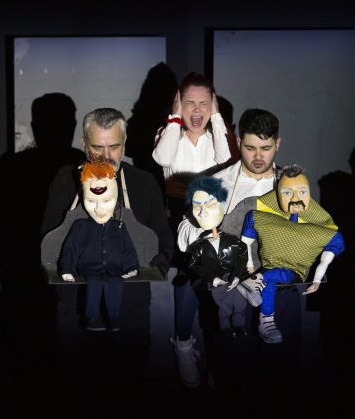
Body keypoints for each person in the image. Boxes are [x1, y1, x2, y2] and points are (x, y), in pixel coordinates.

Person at [171, 108, 281, 388]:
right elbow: (183, 235)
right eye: (250, 148)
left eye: (266, 148)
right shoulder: (217, 183)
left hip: (277, 289)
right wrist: (204, 225)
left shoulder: (290, 185)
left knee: (278, 375)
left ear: (278, 144)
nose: (258, 157)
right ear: (238, 141)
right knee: (231, 374)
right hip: (231, 287)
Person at [42, 107, 173, 276]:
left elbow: (163, 240)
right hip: (76, 287)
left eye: (114, 146)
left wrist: (157, 265)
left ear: (124, 141)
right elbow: (49, 235)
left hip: (131, 288)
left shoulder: (145, 183)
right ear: (84, 143)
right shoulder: (67, 180)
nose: (106, 156)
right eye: (97, 147)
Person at [239, 164, 344, 343]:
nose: (295, 198)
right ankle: (266, 323)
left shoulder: (322, 229)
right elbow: (245, 243)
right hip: (263, 283)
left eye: (302, 192)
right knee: (269, 286)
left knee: (280, 278)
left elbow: (326, 260)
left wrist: (317, 280)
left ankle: (256, 282)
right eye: (287, 192)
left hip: (292, 279)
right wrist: (248, 264)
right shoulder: (259, 216)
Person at [58, 161, 139, 332]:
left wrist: (131, 267)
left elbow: (128, 249)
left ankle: (114, 317)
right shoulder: (80, 226)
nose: (99, 208)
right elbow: (70, 249)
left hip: (114, 269)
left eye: (106, 200)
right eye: (91, 201)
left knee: (116, 284)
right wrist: (66, 269)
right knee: (94, 285)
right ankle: (92, 318)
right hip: (88, 269)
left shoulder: (119, 226)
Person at [152, 72, 232, 232]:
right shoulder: (167, 132)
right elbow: (163, 159)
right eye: (190, 103)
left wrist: (216, 116)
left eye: (204, 103)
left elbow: (224, 158)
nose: (197, 109)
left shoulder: (218, 133)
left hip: (212, 212)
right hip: (177, 211)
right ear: (179, 104)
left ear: (212, 105)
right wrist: (175, 116)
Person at [184, 177, 248, 337]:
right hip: (215, 284)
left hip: (234, 280)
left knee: (239, 302)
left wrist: (237, 274)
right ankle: (224, 328)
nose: (202, 212)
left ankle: (239, 325)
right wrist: (212, 279)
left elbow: (242, 253)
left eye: (210, 204)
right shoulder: (200, 245)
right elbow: (193, 265)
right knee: (221, 306)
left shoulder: (233, 240)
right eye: (196, 206)